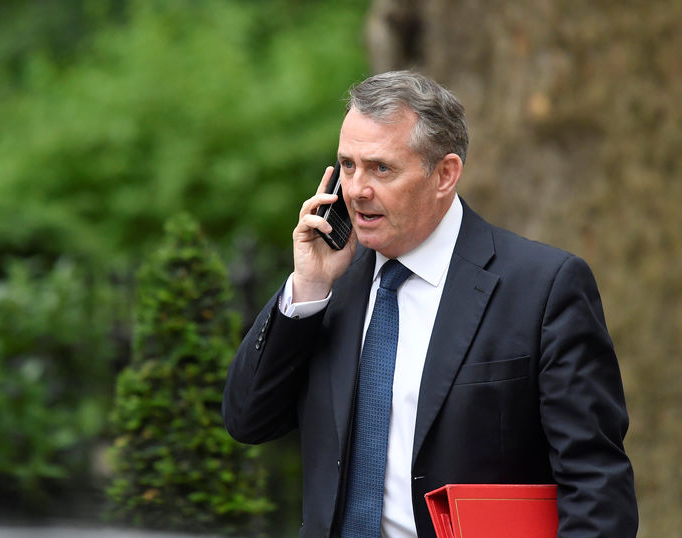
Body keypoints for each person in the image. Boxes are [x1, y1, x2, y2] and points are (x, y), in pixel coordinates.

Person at [222, 70, 638, 538]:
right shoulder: (329, 284)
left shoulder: (543, 287)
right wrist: (308, 288)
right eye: (348, 165)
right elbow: (246, 420)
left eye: (381, 168)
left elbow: (596, 486)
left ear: (445, 174)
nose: (356, 189)